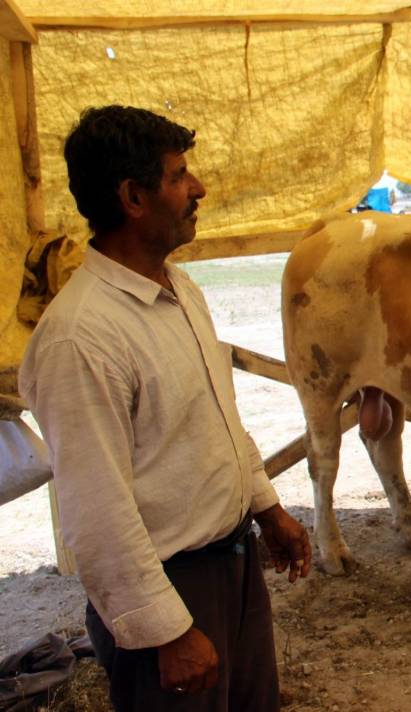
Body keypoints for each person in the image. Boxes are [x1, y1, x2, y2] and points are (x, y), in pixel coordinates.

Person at [18, 105, 311, 711]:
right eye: (180, 176)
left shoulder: (180, 291)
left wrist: (267, 508)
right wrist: (167, 631)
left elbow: (219, 422)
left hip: (231, 565)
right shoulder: (81, 337)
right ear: (132, 196)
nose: (198, 188)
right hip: (171, 586)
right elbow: (96, 510)